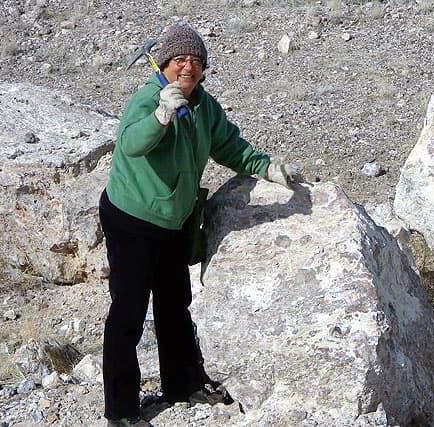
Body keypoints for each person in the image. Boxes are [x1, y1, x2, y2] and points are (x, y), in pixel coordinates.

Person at [98, 23, 300, 427]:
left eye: (195, 60)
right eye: (179, 59)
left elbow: (228, 145)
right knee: (129, 312)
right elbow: (131, 142)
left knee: (175, 304)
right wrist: (161, 114)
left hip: (175, 220)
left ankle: (182, 383)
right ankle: (120, 410)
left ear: (204, 68)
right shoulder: (145, 101)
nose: (187, 66)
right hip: (133, 220)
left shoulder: (205, 106)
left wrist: (266, 168)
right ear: (165, 64)